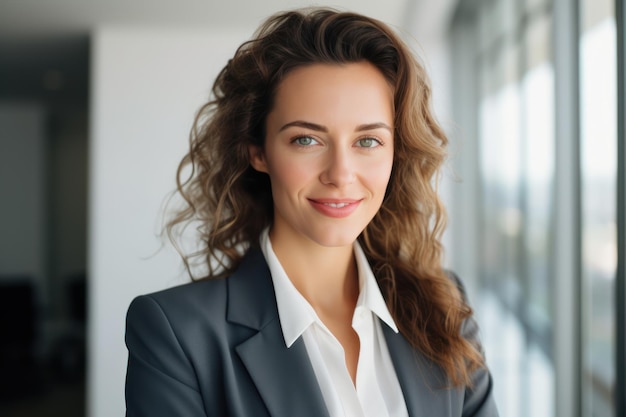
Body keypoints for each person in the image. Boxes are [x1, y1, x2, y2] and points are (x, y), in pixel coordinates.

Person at [125, 7, 498, 417]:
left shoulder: (442, 306)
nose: (340, 174)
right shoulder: (177, 333)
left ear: (396, 151)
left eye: (368, 141)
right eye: (306, 140)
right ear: (258, 151)